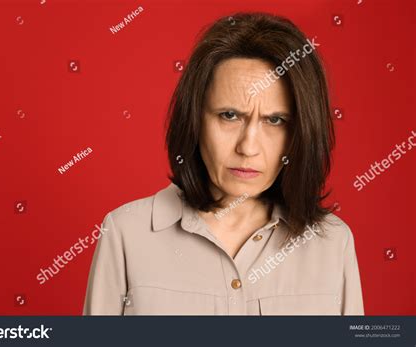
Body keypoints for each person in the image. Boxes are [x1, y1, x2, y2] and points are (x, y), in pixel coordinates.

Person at [83, 12, 364, 315]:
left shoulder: (333, 243)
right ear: (194, 120)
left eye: (275, 120)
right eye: (229, 115)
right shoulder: (126, 233)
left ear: (300, 132)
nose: (248, 147)